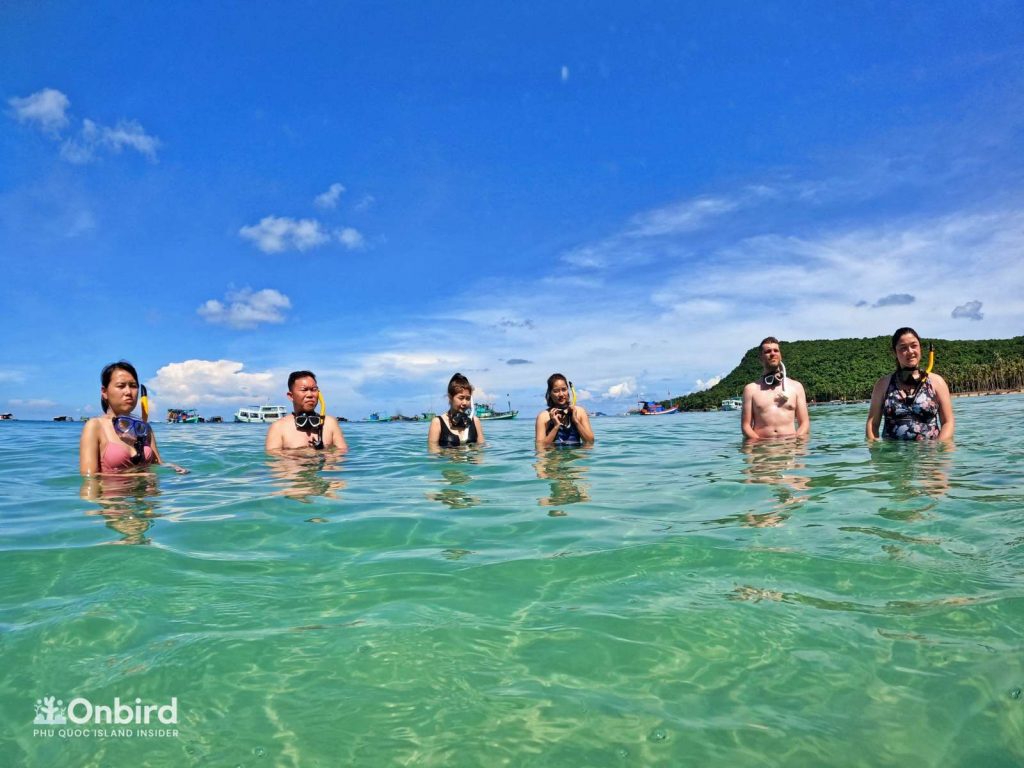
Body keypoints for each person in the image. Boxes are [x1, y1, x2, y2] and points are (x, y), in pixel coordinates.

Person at [79, 361, 188, 475]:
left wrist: (171, 466)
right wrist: (135, 476)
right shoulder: (95, 426)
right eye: (121, 386)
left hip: (148, 492)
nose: (128, 392)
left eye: (133, 386)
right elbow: (89, 477)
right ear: (104, 392)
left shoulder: (144, 427)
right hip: (114, 492)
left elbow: (157, 463)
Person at [866, 327, 954, 441]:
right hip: (892, 456)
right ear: (894, 352)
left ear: (920, 348)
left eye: (914, 346)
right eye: (903, 348)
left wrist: (940, 453)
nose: (910, 351)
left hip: (929, 455)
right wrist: (875, 453)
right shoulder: (883, 385)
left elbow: (948, 422)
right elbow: (872, 424)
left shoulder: (937, 382)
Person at [741, 337, 810, 441]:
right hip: (761, 449)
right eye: (768, 351)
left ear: (780, 355)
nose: (772, 353)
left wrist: (797, 444)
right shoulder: (751, 389)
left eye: (776, 350)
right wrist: (759, 444)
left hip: (790, 447)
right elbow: (746, 426)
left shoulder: (796, 387)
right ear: (760, 358)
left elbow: (804, 423)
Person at [265, 370, 348, 451]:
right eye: (304, 390)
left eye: (314, 389)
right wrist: (306, 453)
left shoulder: (330, 423)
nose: (310, 395)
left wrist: (323, 451)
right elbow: (274, 460)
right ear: (291, 396)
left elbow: (342, 454)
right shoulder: (278, 427)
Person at [535, 373, 595, 446]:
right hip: (554, 457)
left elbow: (590, 441)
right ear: (550, 393)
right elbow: (540, 447)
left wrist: (576, 421)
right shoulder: (543, 417)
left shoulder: (580, 412)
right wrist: (556, 427)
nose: (561, 394)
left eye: (564, 389)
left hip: (576, 456)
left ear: (568, 390)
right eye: (556, 391)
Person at [428, 373, 485, 448]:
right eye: (461, 398)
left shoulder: (475, 421)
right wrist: (454, 453)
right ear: (450, 398)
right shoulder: (437, 422)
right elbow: (433, 453)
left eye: (468, 398)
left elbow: (481, 450)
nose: (465, 403)